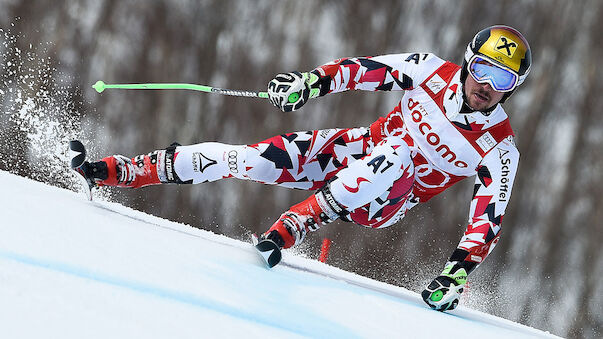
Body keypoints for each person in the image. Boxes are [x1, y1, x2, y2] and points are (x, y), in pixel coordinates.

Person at [74, 25, 531, 312]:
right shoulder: (431, 71)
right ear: (469, 62)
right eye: (485, 70)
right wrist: (307, 84)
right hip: (352, 149)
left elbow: (486, 221)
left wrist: (456, 273)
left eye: (504, 80)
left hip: (385, 199)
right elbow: (362, 70)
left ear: (513, 90)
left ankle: (297, 222)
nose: (488, 86)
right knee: (250, 157)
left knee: (394, 158)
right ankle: (121, 170)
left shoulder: (499, 147)